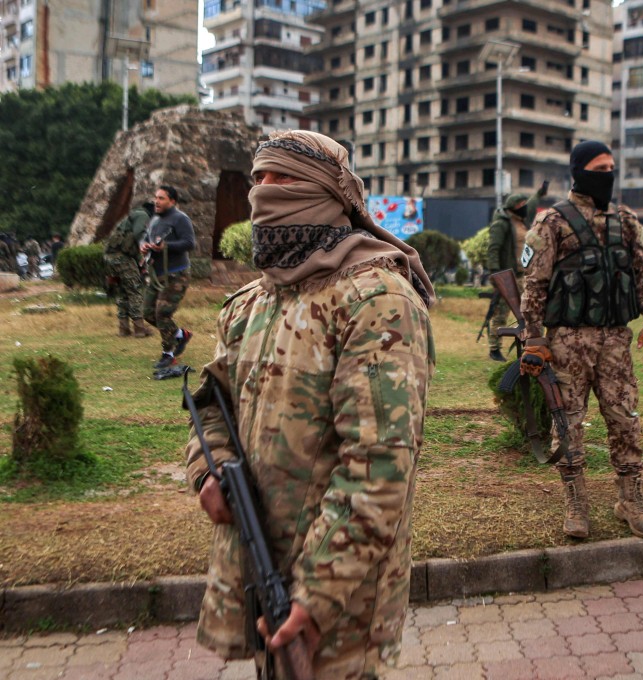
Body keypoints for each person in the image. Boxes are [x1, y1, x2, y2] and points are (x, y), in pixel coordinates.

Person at [184, 130, 435, 679]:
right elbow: (211, 402)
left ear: (328, 192)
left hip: (338, 596)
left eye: (284, 179)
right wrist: (208, 468)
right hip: (259, 563)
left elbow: (379, 465)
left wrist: (316, 594)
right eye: (259, 178)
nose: (264, 192)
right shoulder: (252, 302)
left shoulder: (377, 301)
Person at [519, 140, 643, 540]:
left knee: (625, 419)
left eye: (611, 168)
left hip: (616, 340)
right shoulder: (552, 222)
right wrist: (534, 338)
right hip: (568, 341)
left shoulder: (626, 220)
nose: (608, 175)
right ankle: (576, 504)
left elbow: (642, 276)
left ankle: (630, 500)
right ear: (579, 172)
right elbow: (535, 284)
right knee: (568, 424)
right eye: (600, 169)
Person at [485, 183, 547, 361]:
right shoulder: (502, 224)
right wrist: (495, 274)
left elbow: (532, 205)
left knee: (533, 311)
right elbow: (493, 249)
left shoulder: (521, 222)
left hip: (524, 275)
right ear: (513, 207)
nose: (525, 207)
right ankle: (494, 348)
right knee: (501, 312)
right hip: (507, 276)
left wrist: (539, 193)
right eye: (521, 205)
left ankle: (534, 344)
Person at [142, 185, 196, 370]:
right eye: (156, 197)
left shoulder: (180, 219)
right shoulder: (155, 219)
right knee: (148, 313)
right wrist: (144, 245)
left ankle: (168, 354)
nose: (156, 201)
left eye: (161, 198)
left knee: (162, 314)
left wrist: (166, 246)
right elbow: (146, 237)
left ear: (172, 201)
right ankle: (180, 335)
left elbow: (189, 243)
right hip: (157, 275)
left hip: (176, 274)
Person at [104, 202, 155, 338]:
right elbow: (139, 235)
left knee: (123, 292)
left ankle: (124, 329)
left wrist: (140, 263)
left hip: (111, 257)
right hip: (122, 258)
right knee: (134, 291)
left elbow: (131, 242)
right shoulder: (143, 215)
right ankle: (139, 329)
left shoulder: (132, 216)